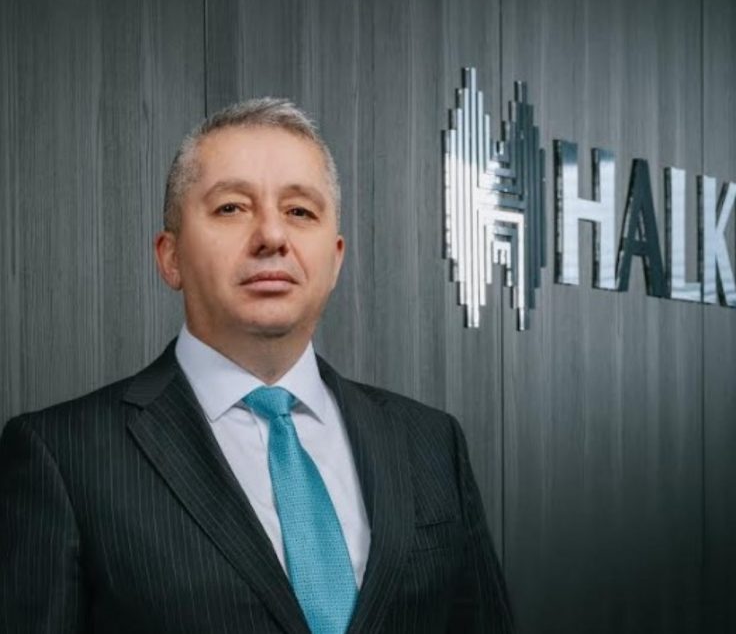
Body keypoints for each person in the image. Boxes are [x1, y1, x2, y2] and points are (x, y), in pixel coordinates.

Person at [0, 98, 514, 633]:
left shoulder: (431, 442)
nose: (272, 235)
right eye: (231, 208)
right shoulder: (63, 456)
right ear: (170, 257)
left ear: (335, 259)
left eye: (300, 212)